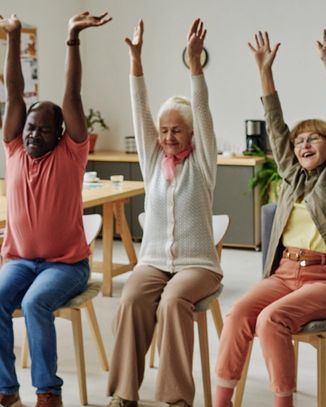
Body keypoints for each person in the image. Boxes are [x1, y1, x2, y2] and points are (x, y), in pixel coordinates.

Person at [212, 27, 326, 407]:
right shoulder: (292, 179)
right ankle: (221, 401)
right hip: (283, 275)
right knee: (238, 315)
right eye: (299, 142)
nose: (303, 144)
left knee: (270, 321)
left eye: (313, 139)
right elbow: (276, 129)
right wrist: (265, 72)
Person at [0, 11, 111, 407]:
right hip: (20, 260)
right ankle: (5, 388)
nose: (33, 133)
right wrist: (14, 35)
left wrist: (71, 37)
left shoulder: (71, 154)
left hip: (66, 265)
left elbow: (72, 96)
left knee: (37, 302)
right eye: (29, 127)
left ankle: (48, 392)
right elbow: (15, 93)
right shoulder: (15, 149)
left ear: (60, 133)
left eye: (42, 128)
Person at [105, 19, 222, 407]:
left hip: (198, 264)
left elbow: (202, 110)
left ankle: (176, 399)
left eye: (177, 130)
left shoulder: (203, 164)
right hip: (154, 261)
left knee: (173, 302)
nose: (168, 136)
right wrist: (135, 62)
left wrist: (195, 67)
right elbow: (140, 112)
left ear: (191, 135)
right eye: (164, 130)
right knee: (131, 297)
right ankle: (124, 395)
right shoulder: (153, 161)